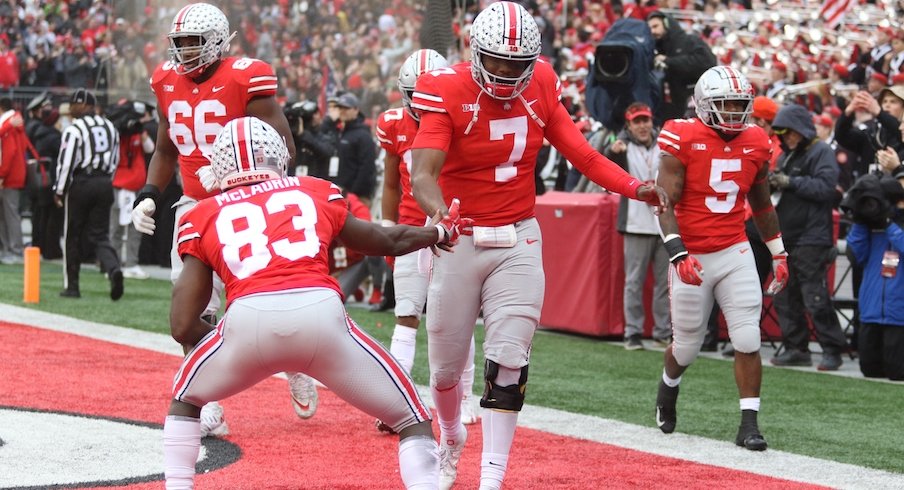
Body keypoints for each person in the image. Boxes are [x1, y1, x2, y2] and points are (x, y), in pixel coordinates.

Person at [409, 4, 666, 488]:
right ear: (474, 51)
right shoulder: (445, 87)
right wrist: (441, 213)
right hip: (460, 236)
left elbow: (583, 153)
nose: (507, 72)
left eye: (517, 63)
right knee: (445, 369)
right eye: (497, 61)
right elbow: (422, 171)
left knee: (509, 356)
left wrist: (636, 187)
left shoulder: (542, 82)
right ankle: (449, 436)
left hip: (518, 234)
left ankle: (493, 477)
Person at [164, 116, 460, 489]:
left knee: (185, 399)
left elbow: (182, 325)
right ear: (277, 155)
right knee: (412, 416)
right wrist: (438, 231)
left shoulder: (201, 213)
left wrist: (233, 338)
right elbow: (385, 241)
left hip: (247, 317)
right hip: (321, 314)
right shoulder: (314, 189)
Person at [129, 2, 312, 437]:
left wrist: (243, 175)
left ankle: (296, 362)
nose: (184, 52)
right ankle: (206, 400)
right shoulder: (166, 80)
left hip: (247, 201)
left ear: (215, 40)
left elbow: (282, 145)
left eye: (192, 42)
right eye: (179, 43)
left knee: (267, 297)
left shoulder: (246, 75)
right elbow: (166, 147)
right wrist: (150, 194)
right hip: (195, 205)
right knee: (191, 309)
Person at [653, 66, 789, 452]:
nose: (733, 112)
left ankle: (749, 424)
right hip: (692, 252)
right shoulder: (682, 135)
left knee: (747, 335)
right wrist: (678, 253)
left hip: (734, 249)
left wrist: (779, 253)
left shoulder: (757, 140)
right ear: (704, 105)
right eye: (725, 104)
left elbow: (761, 203)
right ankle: (669, 386)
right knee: (687, 347)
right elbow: (664, 203)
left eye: (738, 105)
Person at [376, 49, 479, 434]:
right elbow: (390, 181)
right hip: (410, 225)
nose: (420, 105)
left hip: (456, 225)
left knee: (457, 319)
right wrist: (388, 230)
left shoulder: (464, 117)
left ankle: (466, 395)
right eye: (412, 96)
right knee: (406, 314)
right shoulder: (393, 124)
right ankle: (396, 403)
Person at [768, 104, 848, 371]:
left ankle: (832, 348)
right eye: (783, 133)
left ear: (802, 129)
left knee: (814, 295)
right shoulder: (787, 156)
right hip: (788, 235)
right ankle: (796, 347)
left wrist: (790, 182)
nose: (788, 138)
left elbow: (827, 189)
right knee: (785, 296)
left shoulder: (821, 151)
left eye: (790, 132)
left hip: (812, 236)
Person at [603, 102, 671, 350]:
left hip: (664, 221)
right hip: (635, 222)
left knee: (665, 282)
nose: (643, 126)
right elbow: (608, 171)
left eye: (646, 120)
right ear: (629, 125)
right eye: (637, 122)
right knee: (634, 281)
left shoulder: (664, 143)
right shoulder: (622, 146)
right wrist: (614, 152)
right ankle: (633, 332)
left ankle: (662, 331)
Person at [53, 89, 124, 300]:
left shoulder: (74, 129)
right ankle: (113, 269)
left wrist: (59, 189)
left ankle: (72, 287)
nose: (71, 109)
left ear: (84, 106)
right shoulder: (110, 127)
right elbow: (115, 160)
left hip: (82, 183)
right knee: (100, 234)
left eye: (74, 105)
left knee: (72, 234)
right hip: (104, 182)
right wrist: (105, 181)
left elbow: (66, 163)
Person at [844, 171, 904, 380]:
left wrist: (890, 225)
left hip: (899, 314)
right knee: (869, 370)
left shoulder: (891, 225)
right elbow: (856, 255)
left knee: (897, 373)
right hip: (871, 310)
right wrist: (861, 220)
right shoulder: (870, 226)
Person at [109, 100, 154, 280]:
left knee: (136, 226)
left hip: (138, 185)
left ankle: (132, 264)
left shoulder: (138, 132)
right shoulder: (116, 134)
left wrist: (140, 132)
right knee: (116, 227)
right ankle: (114, 265)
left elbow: (150, 148)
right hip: (119, 185)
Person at [646, 10, 716, 122]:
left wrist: (669, 61)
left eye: (655, 26)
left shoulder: (689, 40)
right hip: (671, 111)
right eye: (650, 28)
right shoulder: (654, 50)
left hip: (696, 107)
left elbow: (707, 62)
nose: (653, 31)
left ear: (666, 24)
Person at [330, 92, 377, 205]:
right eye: (340, 107)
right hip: (339, 193)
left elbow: (366, 167)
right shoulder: (340, 132)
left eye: (346, 108)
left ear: (356, 110)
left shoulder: (363, 135)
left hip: (357, 196)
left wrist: (353, 193)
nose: (342, 111)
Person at [0, 97, 30, 265]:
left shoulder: (9, 127)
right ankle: (8, 248)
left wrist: (2, 175)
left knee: (10, 215)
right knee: (6, 214)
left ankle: (14, 250)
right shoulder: (11, 125)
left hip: (9, 176)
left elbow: (9, 152)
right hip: (12, 174)